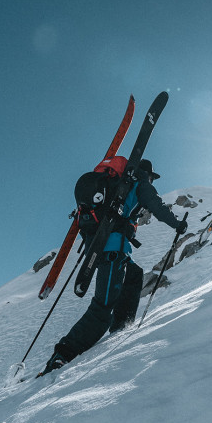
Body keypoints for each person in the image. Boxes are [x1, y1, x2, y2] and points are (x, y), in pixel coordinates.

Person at [40, 158, 187, 375]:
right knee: (102, 308)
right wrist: (178, 224)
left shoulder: (119, 186)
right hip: (111, 250)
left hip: (111, 249)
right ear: (145, 174)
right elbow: (157, 206)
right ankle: (62, 354)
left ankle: (121, 328)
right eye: (151, 177)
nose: (151, 180)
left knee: (134, 275)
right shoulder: (139, 184)